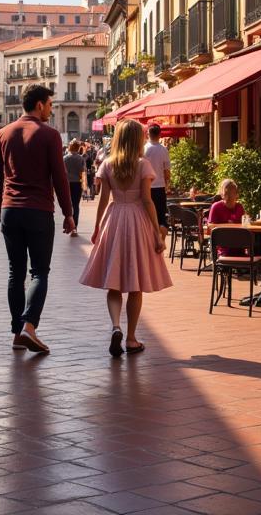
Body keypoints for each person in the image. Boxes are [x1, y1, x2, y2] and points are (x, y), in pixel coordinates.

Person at [0, 84, 75, 354]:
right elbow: (60, 177)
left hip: (10, 211)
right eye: (50, 104)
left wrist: (1, 209)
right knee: (39, 271)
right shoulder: (49, 135)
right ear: (39, 105)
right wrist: (68, 213)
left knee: (15, 271)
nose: (51, 108)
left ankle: (17, 332)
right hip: (39, 210)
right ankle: (29, 326)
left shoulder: (3, 133)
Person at [80, 119, 172, 356]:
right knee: (135, 284)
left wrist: (97, 227)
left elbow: (102, 200)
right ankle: (131, 338)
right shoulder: (143, 165)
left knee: (113, 282)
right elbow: (147, 200)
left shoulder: (108, 164)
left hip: (114, 218)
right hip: (137, 221)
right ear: (138, 140)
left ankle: (115, 326)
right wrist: (157, 232)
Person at [143, 124, 171, 236]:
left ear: (148, 134)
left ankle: (148, 241)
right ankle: (161, 241)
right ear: (160, 135)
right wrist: (167, 185)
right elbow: (167, 172)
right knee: (161, 217)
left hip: (146, 187)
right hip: (160, 187)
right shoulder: (164, 150)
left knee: (146, 217)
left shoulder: (143, 150)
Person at [206, 178, 245, 256]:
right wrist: (228, 226)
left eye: (232, 192)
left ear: (237, 194)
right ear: (222, 194)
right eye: (225, 192)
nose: (227, 195)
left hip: (239, 245)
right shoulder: (216, 206)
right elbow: (210, 227)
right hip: (223, 247)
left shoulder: (239, 207)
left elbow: (245, 224)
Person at [64, 140, 86, 235]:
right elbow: (83, 173)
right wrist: (85, 187)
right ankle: (74, 228)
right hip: (77, 184)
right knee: (76, 205)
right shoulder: (81, 159)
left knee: (68, 205)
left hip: (67, 184)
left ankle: (67, 225)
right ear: (78, 148)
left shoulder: (65, 158)